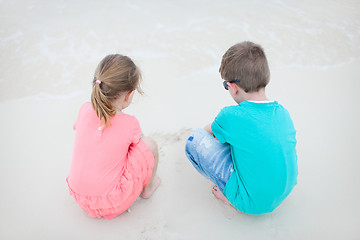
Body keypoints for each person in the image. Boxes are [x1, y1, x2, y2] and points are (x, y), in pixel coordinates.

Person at [185, 41, 298, 214]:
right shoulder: (282, 112)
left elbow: (207, 133)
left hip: (252, 204)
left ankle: (230, 198)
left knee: (194, 140)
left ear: (233, 88)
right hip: (284, 192)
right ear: (268, 76)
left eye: (226, 86)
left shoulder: (231, 115)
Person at [66, 54, 161, 220]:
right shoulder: (129, 123)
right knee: (149, 144)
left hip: (78, 196)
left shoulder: (84, 109)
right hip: (112, 202)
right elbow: (141, 148)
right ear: (129, 95)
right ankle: (149, 188)